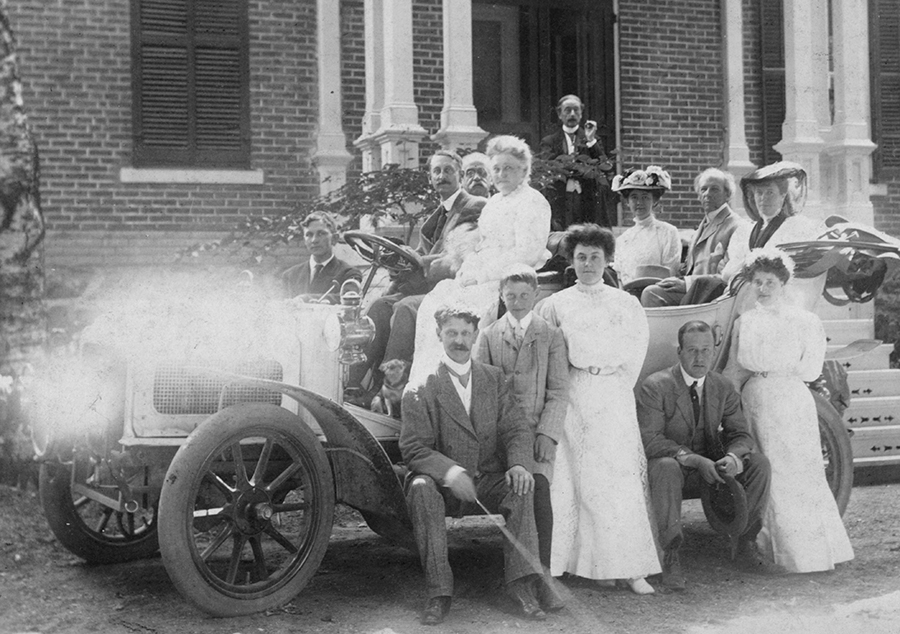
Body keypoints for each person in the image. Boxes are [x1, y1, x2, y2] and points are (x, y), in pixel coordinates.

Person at [400, 306, 560, 625]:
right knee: (420, 488)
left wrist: (517, 465)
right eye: (451, 333)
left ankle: (522, 587)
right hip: (442, 485)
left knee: (524, 485)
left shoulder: (492, 377)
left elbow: (515, 427)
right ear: (438, 336)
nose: (459, 340)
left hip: (486, 478)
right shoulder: (420, 386)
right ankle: (439, 593)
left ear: (475, 335)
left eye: (464, 333)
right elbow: (413, 448)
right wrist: (449, 472)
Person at [536, 224, 660, 594]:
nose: (588, 264)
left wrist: (614, 386)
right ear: (571, 262)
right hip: (574, 393)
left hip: (612, 392)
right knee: (573, 479)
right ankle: (566, 564)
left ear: (608, 260)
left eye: (595, 257)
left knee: (616, 478)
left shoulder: (626, 303)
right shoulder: (556, 304)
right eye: (581, 257)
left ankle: (628, 566)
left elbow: (636, 352)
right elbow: (550, 357)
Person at [724, 250, 854, 573]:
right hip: (755, 398)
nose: (763, 288)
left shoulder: (805, 321)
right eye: (757, 282)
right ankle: (771, 551)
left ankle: (809, 553)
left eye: (770, 282)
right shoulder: (744, 322)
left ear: (784, 283)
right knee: (769, 471)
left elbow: (810, 369)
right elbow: (734, 371)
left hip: (792, 398)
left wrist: (782, 377)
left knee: (799, 470)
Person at [637, 320, 772, 591]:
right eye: (692, 350)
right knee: (664, 466)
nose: (700, 358)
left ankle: (744, 542)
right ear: (680, 352)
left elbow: (741, 435)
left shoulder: (722, 386)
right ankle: (670, 553)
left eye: (706, 350)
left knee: (759, 463)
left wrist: (733, 458)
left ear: (714, 350)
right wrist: (692, 459)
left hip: (714, 470)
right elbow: (650, 440)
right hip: (677, 469)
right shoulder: (656, 386)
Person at [408, 135, 551, 388]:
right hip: (483, 271)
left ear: (524, 171)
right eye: (496, 168)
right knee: (436, 303)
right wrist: (467, 269)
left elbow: (526, 252)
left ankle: (463, 385)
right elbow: (482, 245)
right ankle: (432, 383)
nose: (501, 174)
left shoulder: (533, 201)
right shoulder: (494, 202)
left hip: (511, 276)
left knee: (464, 314)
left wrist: (483, 275)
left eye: (508, 168)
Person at [356, 150, 487, 394]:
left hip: (453, 288)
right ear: (430, 178)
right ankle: (356, 385)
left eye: (448, 170)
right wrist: (398, 259)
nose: (442, 176)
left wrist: (417, 259)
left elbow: (459, 256)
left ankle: (393, 390)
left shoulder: (474, 206)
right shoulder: (435, 215)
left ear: (460, 174)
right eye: (436, 171)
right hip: (425, 287)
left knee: (403, 308)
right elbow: (418, 254)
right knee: (379, 306)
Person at [475, 264, 569, 572]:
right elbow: (481, 392)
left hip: (535, 433)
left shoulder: (551, 336)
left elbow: (557, 391)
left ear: (536, 295)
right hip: (500, 436)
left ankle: (542, 573)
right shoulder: (488, 336)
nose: (517, 302)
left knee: (539, 488)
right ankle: (516, 571)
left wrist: (548, 434)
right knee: (514, 493)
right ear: (501, 296)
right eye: (511, 296)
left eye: (524, 295)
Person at [641, 168, 745, 307]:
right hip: (694, 290)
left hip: (712, 295)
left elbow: (729, 275)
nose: (707, 194)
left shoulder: (736, 226)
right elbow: (691, 268)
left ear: (728, 194)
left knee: (651, 293)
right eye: (703, 189)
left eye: (714, 189)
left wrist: (687, 284)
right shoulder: (703, 226)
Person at [539, 94, 616, 229]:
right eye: (567, 110)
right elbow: (548, 168)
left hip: (586, 200)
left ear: (581, 114)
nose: (572, 114)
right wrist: (580, 169)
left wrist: (591, 140)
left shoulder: (593, 140)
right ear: (559, 114)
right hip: (560, 199)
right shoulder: (549, 141)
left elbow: (604, 166)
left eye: (576, 110)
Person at [610, 166, 681, 289]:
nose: (639, 202)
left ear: (654, 200)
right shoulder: (623, 239)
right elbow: (620, 277)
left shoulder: (668, 232)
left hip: (658, 293)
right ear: (627, 201)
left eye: (645, 197)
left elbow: (670, 272)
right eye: (634, 197)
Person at [281, 212, 362, 301]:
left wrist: (306, 299)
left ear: (334, 238)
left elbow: (347, 299)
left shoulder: (348, 273)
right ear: (304, 240)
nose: (314, 240)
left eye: (321, 234)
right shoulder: (290, 275)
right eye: (309, 235)